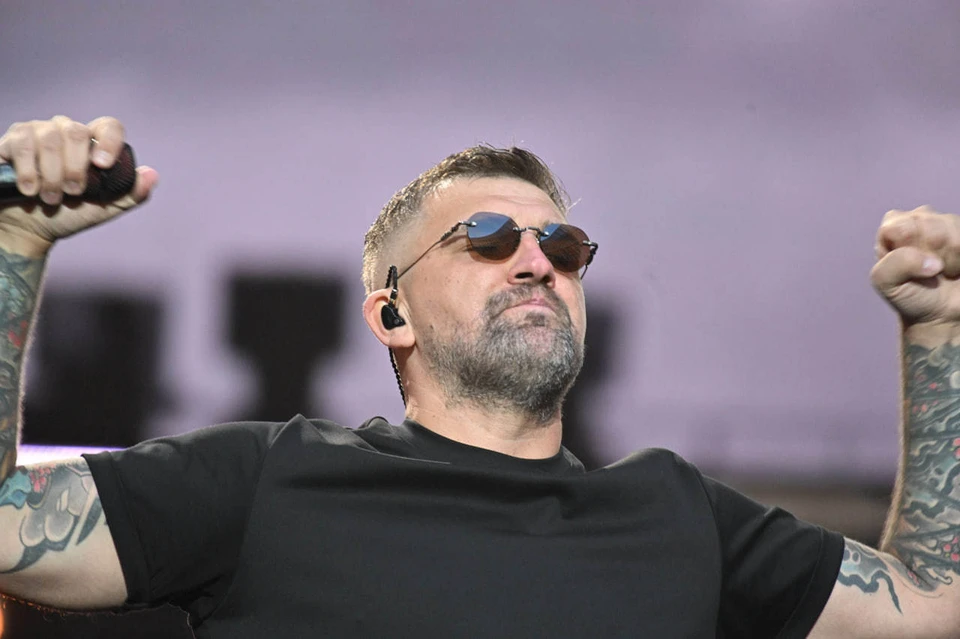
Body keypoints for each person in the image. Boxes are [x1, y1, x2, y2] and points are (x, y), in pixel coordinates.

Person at [0, 116, 956, 639]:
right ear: (392, 314)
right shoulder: (267, 480)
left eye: (564, 246)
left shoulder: (680, 514)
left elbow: (931, 607)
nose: (538, 261)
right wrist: (16, 242)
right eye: (488, 238)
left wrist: (940, 332)